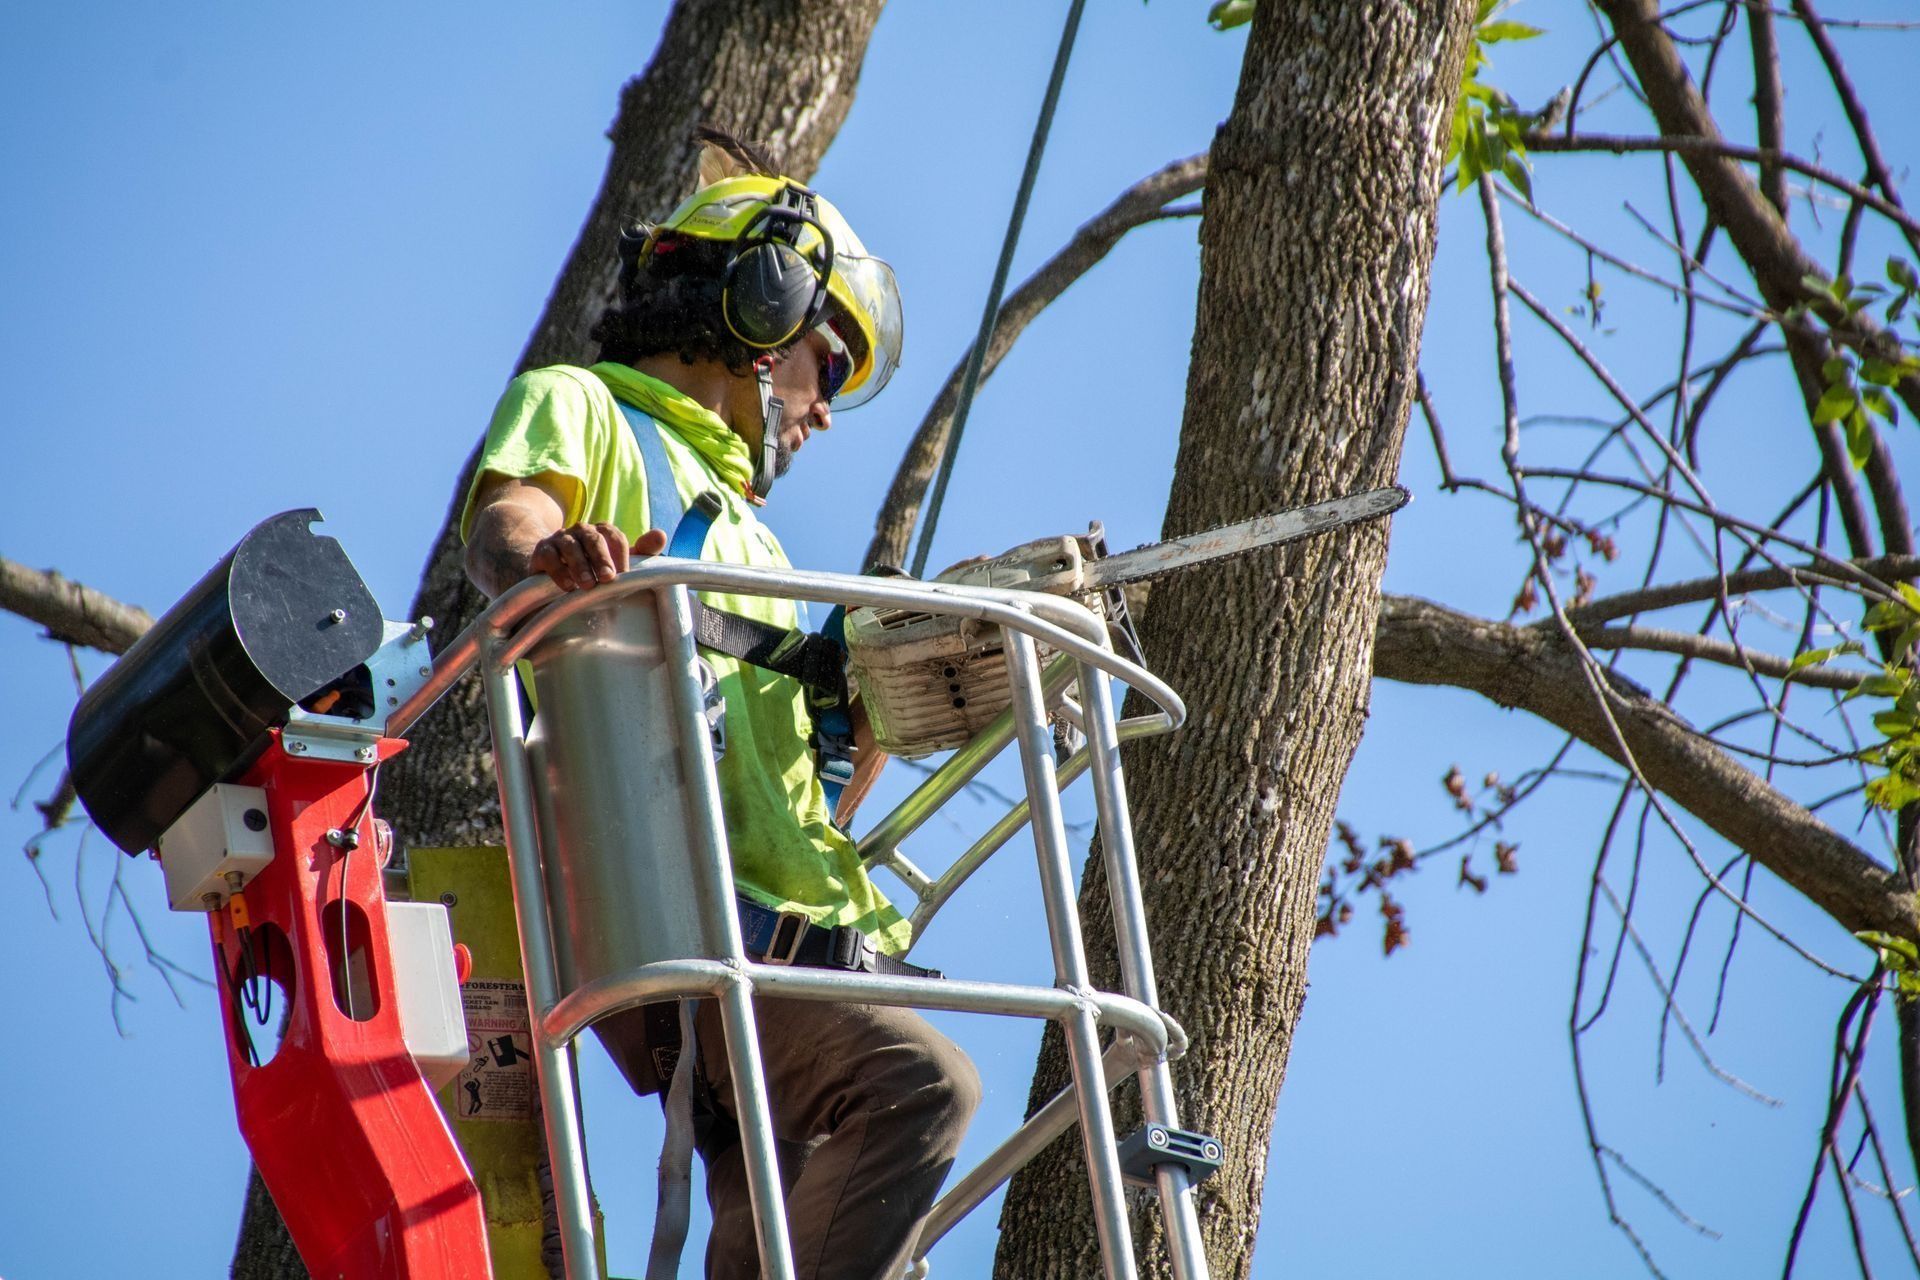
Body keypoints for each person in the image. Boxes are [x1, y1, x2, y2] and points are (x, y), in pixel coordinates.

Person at [460, 128, 979, 1280]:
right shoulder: (589, 409)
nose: (827, 410)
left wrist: (877, 703)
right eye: (827, 363)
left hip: (785, 935)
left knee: (786, 1232)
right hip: (678, 917)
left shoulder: (755, 542)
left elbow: (807, 787)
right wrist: (559, 558)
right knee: (922, 1083)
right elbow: (508, 527)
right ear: (760, 308)